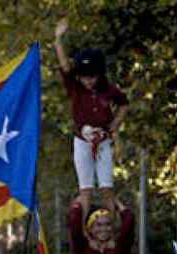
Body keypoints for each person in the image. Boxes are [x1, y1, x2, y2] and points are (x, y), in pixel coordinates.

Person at [54, 17, 129, 209]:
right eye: (84, 77)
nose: (88, 81)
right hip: (82, 141)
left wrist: (114, 125)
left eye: (92, 77)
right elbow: (64, 66)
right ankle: (85, 233)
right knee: (85, 189)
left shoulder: (108, 89)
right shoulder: (75, 88)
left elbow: (123, 104)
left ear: (99, 74)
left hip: (103, 141)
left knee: (106, 188)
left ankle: (111, 229)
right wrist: (58, 41)